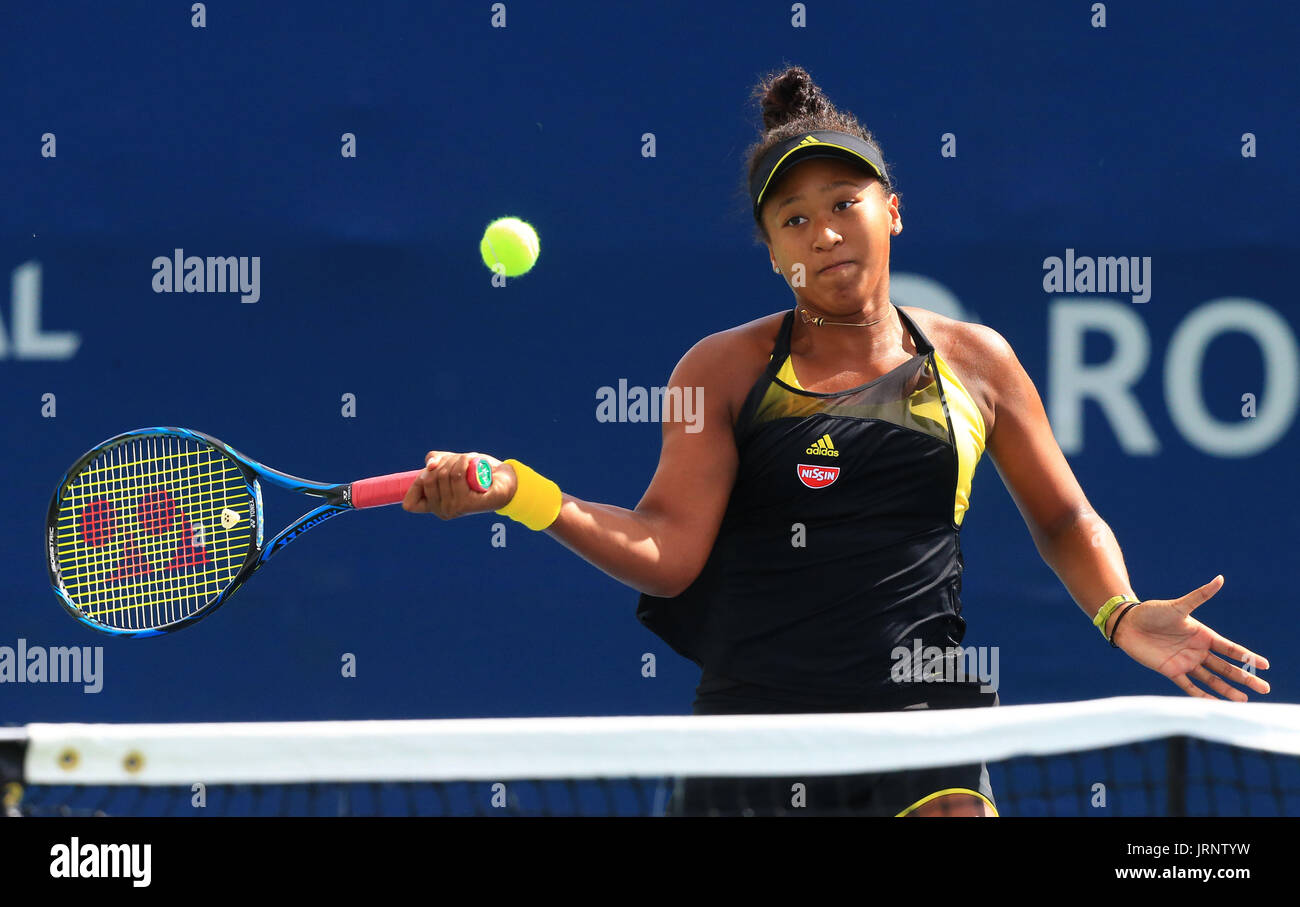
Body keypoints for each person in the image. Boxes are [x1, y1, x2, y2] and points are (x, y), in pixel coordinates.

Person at [401, 66, 1270, 816]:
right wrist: (524, 492)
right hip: (754, 726)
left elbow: (1063, 516)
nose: (822, 231)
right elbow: (666, 550)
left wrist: (1120, 611)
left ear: (892, 212)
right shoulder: (721, 369)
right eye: (792, 218)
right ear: (771, 248)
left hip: (925, 712)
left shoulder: (977, 361)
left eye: (844, 203)